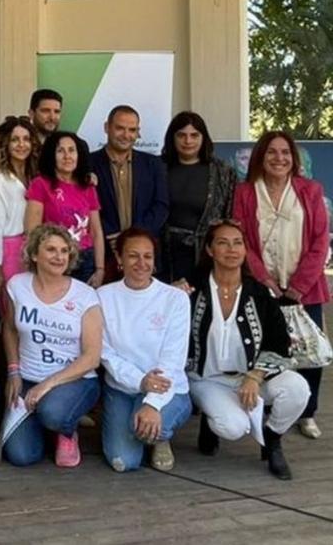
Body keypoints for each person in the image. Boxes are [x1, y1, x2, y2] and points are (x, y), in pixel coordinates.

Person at [188, 220, 307, 480]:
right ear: (210, 250)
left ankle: (272, 439)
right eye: (222, 242)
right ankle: (212, 418)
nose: (231, 249)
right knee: (232, 427)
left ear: (245, 250)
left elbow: (279, 342)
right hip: (207, 379)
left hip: (249, 378)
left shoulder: (260, 293)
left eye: (237, 243)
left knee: (298, 389)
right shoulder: (192, 289)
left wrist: (255, 376)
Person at [231, 131, 328, 440]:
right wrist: (265, 281)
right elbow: (242, 240)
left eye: (285, 152)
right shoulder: (245, 193)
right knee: (266, 347)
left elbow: (320, 241)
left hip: (306, 289)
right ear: (261, 156)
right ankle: (274, 405)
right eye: (272, 152)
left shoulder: (310, 190)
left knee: (309, 352)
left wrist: (300, 284)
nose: (279, 158)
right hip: (263, 289)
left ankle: (308, 411)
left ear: (293, 158)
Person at [1, 224, 102, 467]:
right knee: (21, 456)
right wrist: (13, 371)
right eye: (51, 250)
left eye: (64, 251)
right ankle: (48, 422)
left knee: (53, 413)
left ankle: (66, 429)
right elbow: (10, 328)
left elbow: (92, 357)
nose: (59, 257)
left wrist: (47, 385)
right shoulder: (17, 285)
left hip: (74, 380)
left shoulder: (85, 295)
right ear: (35, 254)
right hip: (28, 378)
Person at [97, 228, 191, 472]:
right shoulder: (102, 297)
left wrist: (152, 404)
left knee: (147, 429)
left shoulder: (175, 299)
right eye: (133, 256)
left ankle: (161, 436)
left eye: (147, 256)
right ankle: (132, 424)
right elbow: (104, 352)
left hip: (167, 388)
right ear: (119, 259)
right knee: (124, 462)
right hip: (122, 387)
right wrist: (140, 381)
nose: (141, 263)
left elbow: (173, 358)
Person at [89, 106, 169, 277]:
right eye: (120, 128)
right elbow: (84, 207)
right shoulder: (88, 163)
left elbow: (161, 206)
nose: (126, 135)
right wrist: (110, 234)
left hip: (143, 256)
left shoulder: (154, 164)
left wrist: (132, 237)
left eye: (132, 130)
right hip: (104, 255)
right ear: (106, 127)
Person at [159, 111, 238, 283]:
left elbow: (229, 217)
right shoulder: (157, 168)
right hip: (165, 256)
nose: (188, 141)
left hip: (209, 256)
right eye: (182, 135)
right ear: (172, 138)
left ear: (204, 138)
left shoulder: (223, 172)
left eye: (194, 135)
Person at [25, 131, 105, 286]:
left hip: (85, 260)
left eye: (71, 150)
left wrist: (100, 268)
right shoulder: (40, 184)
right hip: (53, 258)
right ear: (51, 156)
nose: (67, 156)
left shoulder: (87, 186)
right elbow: (32, 231)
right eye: (60, 151)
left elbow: (96, 231)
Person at [0, 116, 39, 308]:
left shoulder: (35, 176)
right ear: (5, 144)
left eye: (26, 139)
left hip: (34, 249)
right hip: (9, 251)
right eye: (15, 140)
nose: (21, 144)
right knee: (12, 312)